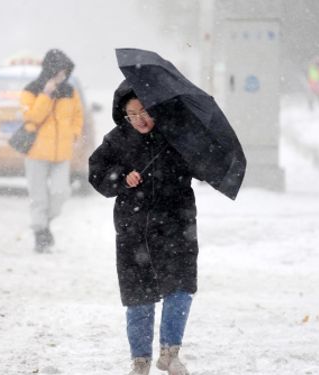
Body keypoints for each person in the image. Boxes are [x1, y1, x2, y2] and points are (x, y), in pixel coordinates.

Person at [88, 80, 197, 375]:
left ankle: (170, 353)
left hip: (177, 226)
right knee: (139, 295)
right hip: (134, 231)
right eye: (132, 114)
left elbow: (199, 166)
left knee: (180, 288)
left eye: (144, 110)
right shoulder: (116, 141)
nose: (139, 119)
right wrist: (122, 177)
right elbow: (96, 174)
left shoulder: (176, 136)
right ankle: (140, 361)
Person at [20, 49, 83, 253]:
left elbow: (77, 116)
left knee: (60, 193)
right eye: (59, 72)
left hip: (61, 153)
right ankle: (41, 234)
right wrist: (45, 95)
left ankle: (43, 223)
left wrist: (73, 134)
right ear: (50, 70)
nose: (62, 76)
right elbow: (33, 118)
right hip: (36, 153)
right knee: (38, 197)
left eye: (65, 72)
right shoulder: (31, 90)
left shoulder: (70, 91)